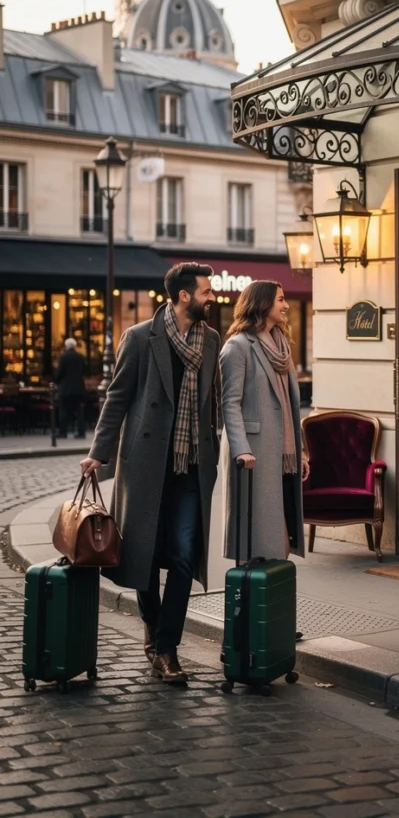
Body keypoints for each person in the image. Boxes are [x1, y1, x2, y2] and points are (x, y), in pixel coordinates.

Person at [80, 263, 220, 684]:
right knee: (144, 555)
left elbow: (210, 403)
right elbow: (117, 398)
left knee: (181, 556)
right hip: (146, 464)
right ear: (182, 296)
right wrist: (98, 454)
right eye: (206, 291)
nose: (212, 297)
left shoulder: (211, 341)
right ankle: (154, 628)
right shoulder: (141, 337)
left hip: (192, 465)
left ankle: (166, 647)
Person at [219, 280, 307, 572]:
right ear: (262, 303)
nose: (285, 305)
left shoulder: (281, 345)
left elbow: (290, 407)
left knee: (279, 533)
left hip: (281, 451)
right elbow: (229, 403)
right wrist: (241, 450)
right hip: (251, 454)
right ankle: (246, 600)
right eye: (280, 299)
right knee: (251, 533)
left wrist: (301, 450)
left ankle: (266, 599)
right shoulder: (237, 346)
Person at [54, 337, 86, 438]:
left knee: (63, 410)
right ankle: (81, 432)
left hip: (65, 388)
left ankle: (63, 432)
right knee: (79, 410)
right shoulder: (80, 357)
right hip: (78, 388)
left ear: (66, 346)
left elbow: (59, 372)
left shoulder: (64, 357)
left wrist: (56, 380)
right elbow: (85, 371)